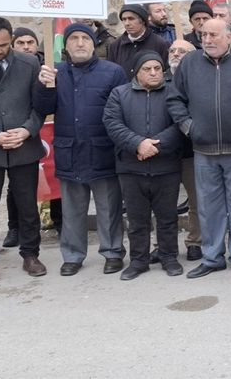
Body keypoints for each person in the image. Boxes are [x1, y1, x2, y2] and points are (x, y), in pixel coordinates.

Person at [167, 18, 231, 278]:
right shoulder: (189, 63)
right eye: (204, 35)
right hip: (203, 150)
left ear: (229, 37)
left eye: (213, 35)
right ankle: (212, 257)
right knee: (209, 207)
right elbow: (175, 99)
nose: (207, 40)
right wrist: (189, 127)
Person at [34, 23, 129, 276]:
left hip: (103, 150)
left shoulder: (113, 72)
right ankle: (73, 255)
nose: (79, 43)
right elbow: (44, 109)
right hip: (70, 150)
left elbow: (123, 109)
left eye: (85, 38)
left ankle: (112, 252)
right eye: (73, 38)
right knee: (72, 210)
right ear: (65, 45)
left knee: (109, 207)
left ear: (94, 43)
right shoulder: (55, 72)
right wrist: (44, 86)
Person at [103, 52, 184, 280]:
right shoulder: (119, 94)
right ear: (136, 72)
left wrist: (155, 146)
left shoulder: (173, 93)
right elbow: (112, 123)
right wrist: (138, 144)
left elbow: (180, 123)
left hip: (166, 166)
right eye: (147, 69)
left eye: (157, 68)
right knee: (137, 219)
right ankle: (139, 260)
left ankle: (169, 256)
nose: (153, 73)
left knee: (167, 217)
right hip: (131, 168)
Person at [0, 16, 46, 282]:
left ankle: (30, 254)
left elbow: (40, 106)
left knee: (27, 205)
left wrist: (26, 130)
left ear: (11, 40)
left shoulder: (29, 63)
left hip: (24, 146)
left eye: (3, 45)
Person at [167, 39, 202, 261]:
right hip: (163, 152)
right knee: (164, 204)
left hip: (192, 150)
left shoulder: (199, 79)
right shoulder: (156, 76)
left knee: (196, 202)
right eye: (172, 50)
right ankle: (163, 244)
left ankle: (195, 242)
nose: (176, 54)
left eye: (182, 51)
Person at [107, 4, 169, 79]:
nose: (127, 23)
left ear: (143, 21)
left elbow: (166, 72)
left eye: (131, 19)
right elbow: (111, 74)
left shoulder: (160, 43)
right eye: (124, 19)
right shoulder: (115, 46)